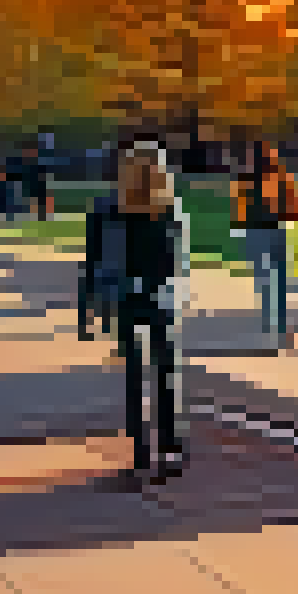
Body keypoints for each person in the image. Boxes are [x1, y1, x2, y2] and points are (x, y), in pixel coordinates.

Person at [89, 141, 188, 484]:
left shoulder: (109, 208)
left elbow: (94, 260)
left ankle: (140, 454)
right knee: (165, 378)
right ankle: (170, 451)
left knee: (135, 378)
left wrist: (92, 306)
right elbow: (177, 260)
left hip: (126, 297)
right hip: (160, 296)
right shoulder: (169, 209)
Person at [232, 144, 298, 347]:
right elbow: (292, 201)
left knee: (265, 280)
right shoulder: (278, 175)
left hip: (260, 231)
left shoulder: (249, 178)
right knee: (275, 280)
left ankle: (271, 325)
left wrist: (239, 228)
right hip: (272, 229)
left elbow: (240, 206)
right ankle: (277, 327)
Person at [19, 143, 53, 222]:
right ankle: (36, 218)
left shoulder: (40, 163)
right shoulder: (26, 164)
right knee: (32, 203)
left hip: (39, 186)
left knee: (40, 203)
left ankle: (42, 218)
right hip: (31, 186)